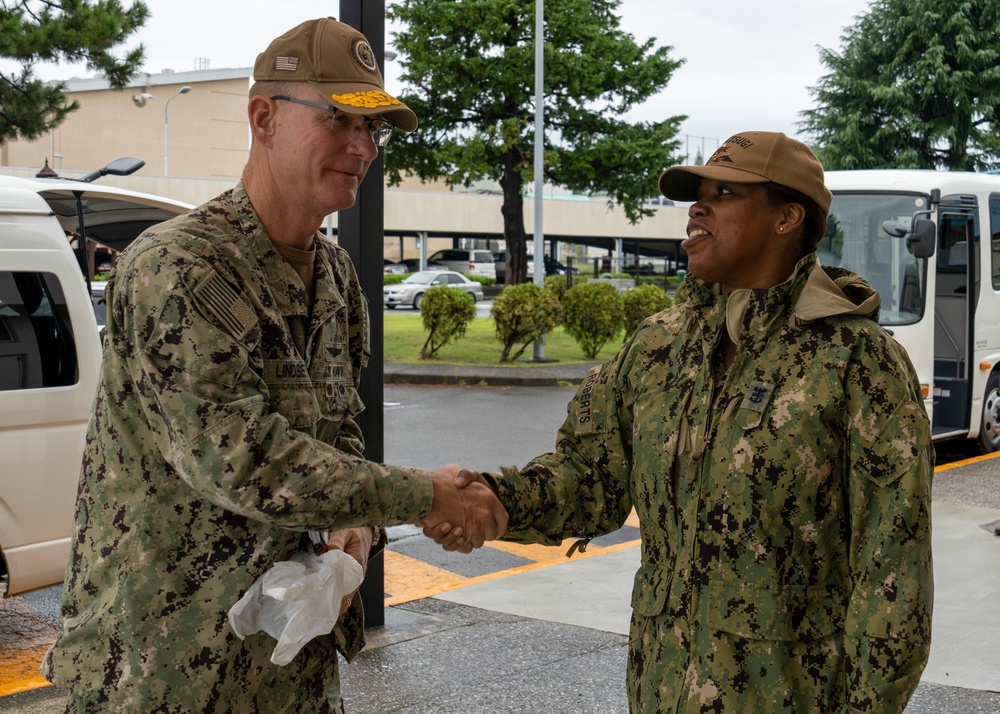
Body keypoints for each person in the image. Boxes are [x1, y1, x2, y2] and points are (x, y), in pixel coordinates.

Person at [41, 17, 506, 713]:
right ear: (263, 117)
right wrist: (427, 496)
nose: (362, 148)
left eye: (373, 130)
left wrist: (358, 528)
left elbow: (339, 439)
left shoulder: (338, 278)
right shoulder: (177, 267)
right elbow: (242, 460)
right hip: (160, 670)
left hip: (287, 668)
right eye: (341, 122)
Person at [430, 132, 934, 712]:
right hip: (659, 690)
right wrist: (490, 499)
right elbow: (587, 479)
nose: (697, 208)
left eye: (724, 193)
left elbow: (893, 578)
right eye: (697, 194)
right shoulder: (657, 345)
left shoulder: (856, 360)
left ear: (787, 217)